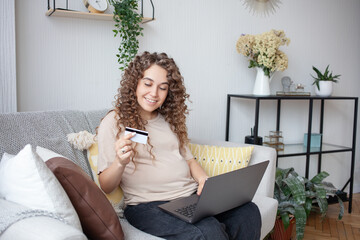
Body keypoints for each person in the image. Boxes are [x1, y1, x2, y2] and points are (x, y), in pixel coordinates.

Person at [97, 51, 261, 240]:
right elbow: (106, 186)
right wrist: (120, 162)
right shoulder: (114, 122)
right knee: (206, 231)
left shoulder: (170, 121)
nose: (154, 93)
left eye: (163, 88)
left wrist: (203, 180)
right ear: (135, 83)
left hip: (189, 197)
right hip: (148, 206)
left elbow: (190, 161)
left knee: (248, 211)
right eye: (148, 84)